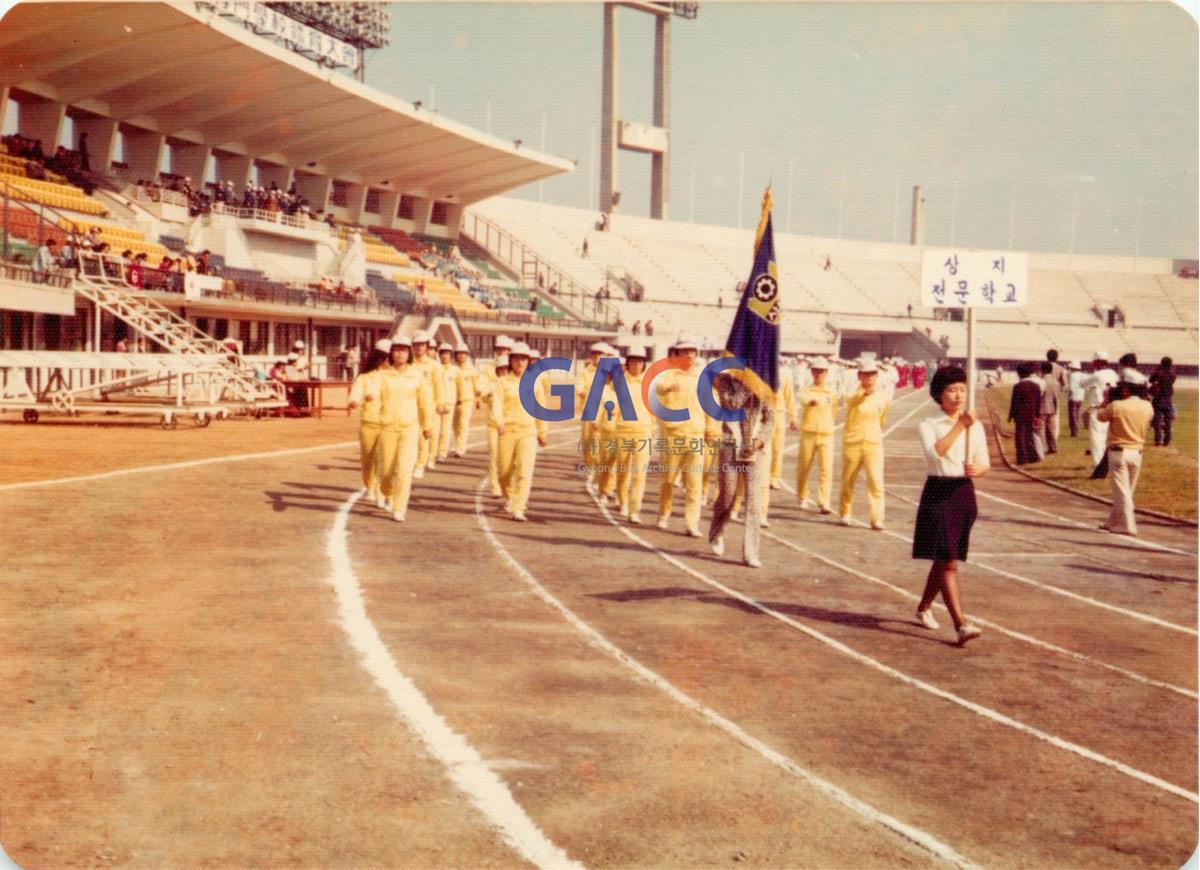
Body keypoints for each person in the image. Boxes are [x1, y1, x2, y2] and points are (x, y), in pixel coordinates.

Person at [913, 365, 989, 646]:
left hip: (963, 494)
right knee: (949, 563)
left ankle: (922, 607)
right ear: (939, 394)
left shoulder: (976, 427)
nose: (958, 396)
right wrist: (960, 425)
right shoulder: (928, 424)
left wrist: (977, 470)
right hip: (939, 492)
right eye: (951, 390)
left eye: (962, 390)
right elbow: (935, 455)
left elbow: (985, 465)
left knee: (946, 558)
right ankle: (961, 624)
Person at [489, 341, 548, 522]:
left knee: (524, 470)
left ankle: (518, 507)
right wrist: (499, 422)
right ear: (510, 361)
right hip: (507, 431)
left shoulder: (535, 383)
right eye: (516, 359)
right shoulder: (501, 382)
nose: (520, 363)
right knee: (504, 472)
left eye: (523, 359)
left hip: (527, 431)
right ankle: (510, 496)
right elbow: (496, 404)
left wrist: (542, 431)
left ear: (528, 361)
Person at [375, 336, 432, 523]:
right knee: (386, 472)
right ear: (391, 353)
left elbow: (424, 403)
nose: (399, 353)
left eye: (403, 350)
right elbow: (375, 400)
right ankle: (387, 492)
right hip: (387, 428)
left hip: (409, 429)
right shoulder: (383, 376)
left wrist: (427, 425)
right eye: (396, 350)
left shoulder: (417, 376)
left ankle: (400, 508)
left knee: (405, 470)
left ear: (409, 354)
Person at [655, 335, 706, 537]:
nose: (688, 355)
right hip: (673, 434)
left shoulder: (701, 377)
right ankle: (664, 513)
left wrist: (710, 428)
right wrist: (668, 387)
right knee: (668, 479)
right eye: (684, 352)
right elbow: (657, 388)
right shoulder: (668, 374)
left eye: (691, 352)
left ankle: (692, 523)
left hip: (695, 434)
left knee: (695, 482)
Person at [1096, 371, 1154, 536]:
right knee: (1125, 492)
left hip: (1118, 453)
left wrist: (1106, 400)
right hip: (1137, 452)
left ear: (1126, 389)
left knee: (1122, 493)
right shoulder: (1148, 406)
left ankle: (1128, 526)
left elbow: (1100, 417)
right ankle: (1113, 521)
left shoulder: (1117, 406)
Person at [839, 358, 889, 530]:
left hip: (873, 444)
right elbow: (850, 402)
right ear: (859, 376)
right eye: (865, 374)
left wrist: (874, 434)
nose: (869, 378)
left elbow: (882, 419)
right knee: (848, 480)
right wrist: (863, 394)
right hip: (852, 442)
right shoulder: (852, 393)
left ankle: (877, 518)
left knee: (876, 481)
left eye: (872, 374)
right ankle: (845, 512)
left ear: (876, 376)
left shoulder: (882, 397)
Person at [348, 340, 391, 508]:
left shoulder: (394, 377)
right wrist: (355, 402)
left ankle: (381, 492)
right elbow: (355, 394)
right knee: (368, 459)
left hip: (388, 423)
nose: (386, 362)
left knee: (384, 460)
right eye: (383, 358)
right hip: (369, 422)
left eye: (389, 358)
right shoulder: (365, 377)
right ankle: (370, 486)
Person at [796, 356, 838, 513]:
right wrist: (810, 401)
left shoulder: (832, 392)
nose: (818, 374)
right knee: (804, 468)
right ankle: (802, 496)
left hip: (826, 434)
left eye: (821, 371)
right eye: (815, 371)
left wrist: (827, 425)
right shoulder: (805, 390)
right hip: (809, 433)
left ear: (826, 373)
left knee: (826, 469)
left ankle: (824, 501)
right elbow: (803, 400)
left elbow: (833, 412)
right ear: (812, 372)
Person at [409, 330, 448, 475]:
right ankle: (413, 460)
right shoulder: (409, 363)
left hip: (428, 405)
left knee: (424, 435)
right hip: (410, 404)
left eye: (422, 345)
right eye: (416, 345)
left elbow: (439, 385)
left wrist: (440, 403)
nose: (419, 348)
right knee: (410, 435)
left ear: (426, 346)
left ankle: (420, 464)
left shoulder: (433, 365)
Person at [1082, 352, 1119, 468]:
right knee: (1106, 436)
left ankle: (1098, 464)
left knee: (1097, 437)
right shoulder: (1113, 373)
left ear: (1097, 361)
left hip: (1097, 408)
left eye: (1094, 361)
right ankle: (1106, 461)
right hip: (1110, 407)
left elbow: (1082, 384)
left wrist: (1092, 385)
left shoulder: (1097, 375)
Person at [577, 342, 605, 489]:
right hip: (588, 412)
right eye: (595, 354)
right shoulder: (585, 372)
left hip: (604, 414)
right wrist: (583, 392)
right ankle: (590, 467)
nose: (597, 357)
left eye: (600, 354)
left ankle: (599, 472)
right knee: (587, 444)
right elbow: (579, 387)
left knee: (599, 443)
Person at [1008, 363, 1042, 465]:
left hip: (1020, 415)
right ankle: (1033, 457)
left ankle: (1022, 459)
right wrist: (1037, 416)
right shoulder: (1036, 386)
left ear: (1019, 374)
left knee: (1020, 437)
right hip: (1031, 414)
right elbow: (1038, 402)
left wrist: (1011, 415)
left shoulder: (1018, 386)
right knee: (1029, 436)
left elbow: (1014, 402)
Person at [451, 342, 478, 457]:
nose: (461, 356)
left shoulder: (472, 370)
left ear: (467, 355)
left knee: (463, 424)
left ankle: (460, 448)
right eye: (459, 354)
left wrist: (478, 399)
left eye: (463, 354)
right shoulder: (452, 369)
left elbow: (476, 386)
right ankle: (458, 444)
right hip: (453, 401)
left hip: (467, 400)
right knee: (455, 425)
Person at [435, 342, 458, 462]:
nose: (445, 356)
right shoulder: (435, 368)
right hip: (437, 403)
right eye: (442, 353)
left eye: (447, 354)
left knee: (445, 430)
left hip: (449, 403)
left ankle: (442, 452)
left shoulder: (455, 370)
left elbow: (460, 386)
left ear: (451, 355)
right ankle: (432, 452)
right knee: (435, 429)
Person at [1149, 357, 1176, 447]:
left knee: (1157, 420)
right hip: (1168, 399)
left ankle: (1158, 440)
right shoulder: (1172, 374)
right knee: (1168, 421)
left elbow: (1151, 379)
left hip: (1158, 398)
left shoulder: (1158, 373)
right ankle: (1167, 440)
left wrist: (1158, 369)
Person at [1038, 361, 1060, 455]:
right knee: (1051, 429)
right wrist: (1055, 408)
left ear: (1042, 370)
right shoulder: (1056, 382)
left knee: (1041, 429)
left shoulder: (1041, 381)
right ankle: (1053, 447)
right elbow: (1056, 397)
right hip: (1052, 408)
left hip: (1042, 407)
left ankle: (1043, 448)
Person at [1066, 360, 1086, 437]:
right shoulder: (1082, 375)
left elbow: (1071, 388)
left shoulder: (1072, 375)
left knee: (1072, 415)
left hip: (1073, 397)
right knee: (1077, 414)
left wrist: (1068, 395)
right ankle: (1077, 430)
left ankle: (1074, 432)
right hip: (1080, 397)